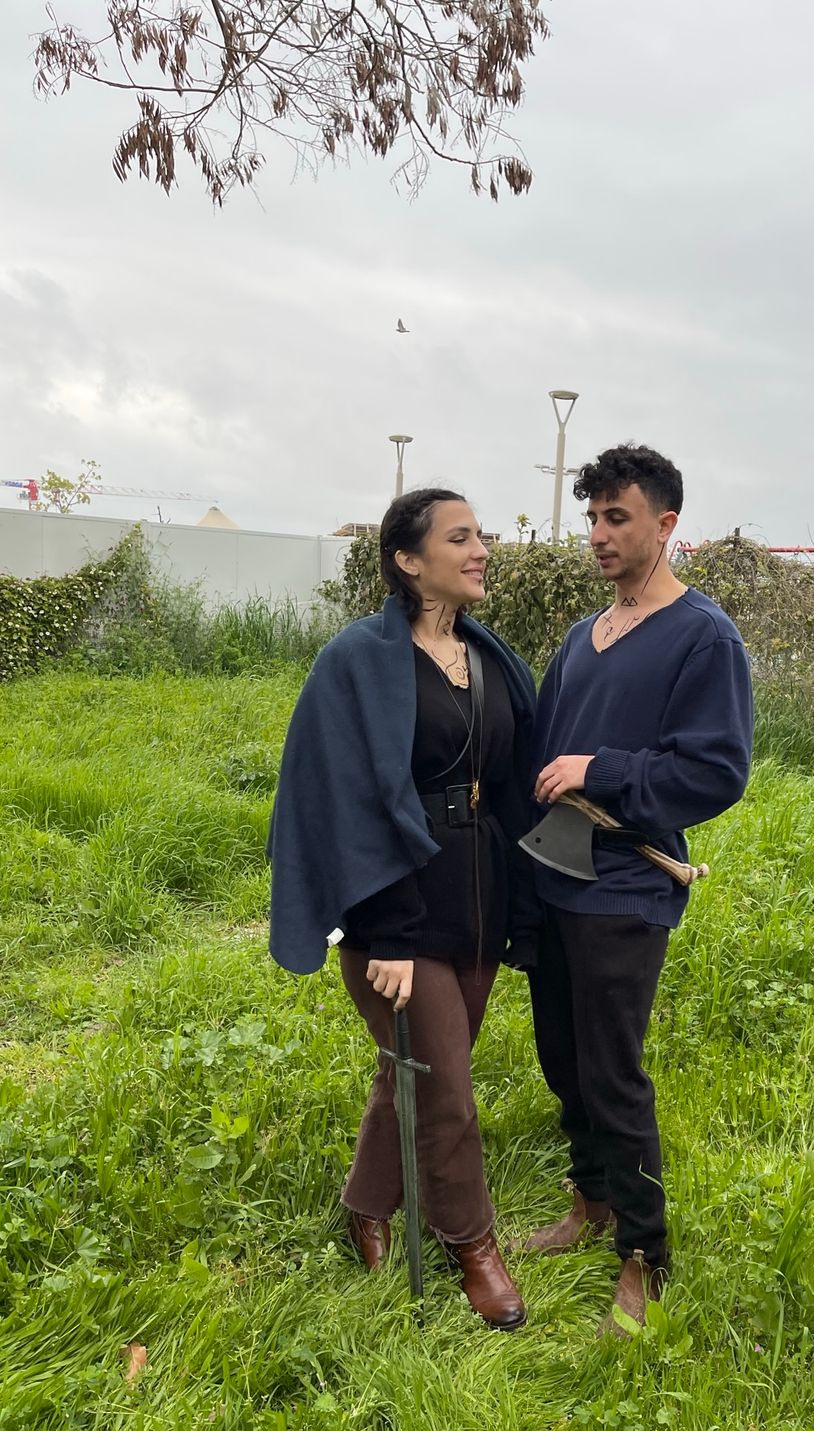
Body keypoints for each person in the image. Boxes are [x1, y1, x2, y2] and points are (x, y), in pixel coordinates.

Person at [268, 488, 538, 1330]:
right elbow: (345, 800)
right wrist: (384, 930)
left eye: (481, 535)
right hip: (399, 913)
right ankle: (473, 1248)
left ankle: (364, 1205)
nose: (481, 549)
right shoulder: (356, 661)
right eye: (460, 538)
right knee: (448, 1087)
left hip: (478, 897)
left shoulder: (486, 655)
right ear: (409, 560)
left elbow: (514, 779)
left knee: (413, 1068)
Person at [514, 444, 753, 1335]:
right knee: (562, 1058)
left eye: (618, 517)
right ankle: (592, 1200)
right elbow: (541, 748)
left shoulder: (703, 637)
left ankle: (644, 1256)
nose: (599, 535)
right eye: (593, 518)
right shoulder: (585, 635)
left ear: (666, 523)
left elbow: (717, 771)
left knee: (612, 1071)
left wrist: (601, 770)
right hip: (555, 872)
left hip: (625, 884)